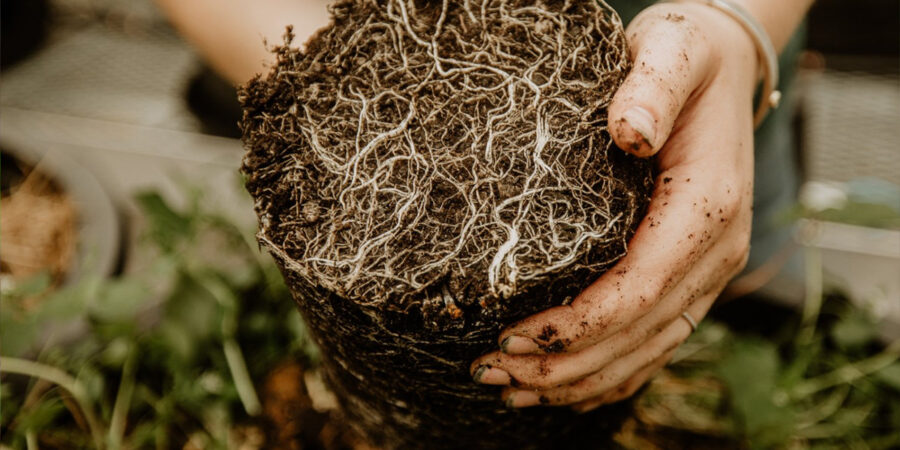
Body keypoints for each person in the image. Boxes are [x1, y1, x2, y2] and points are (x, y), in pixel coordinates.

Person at [157, 0, 812, 413]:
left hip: (691, 104)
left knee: (706, 283)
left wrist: (738, 25)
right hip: (311, 54)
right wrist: (349, 75)